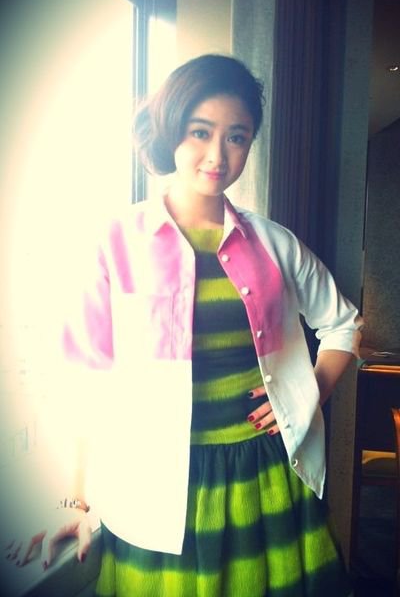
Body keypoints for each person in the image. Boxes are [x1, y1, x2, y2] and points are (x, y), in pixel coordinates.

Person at [6, 54, 362, 596]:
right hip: (153, 488)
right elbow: (84, 377)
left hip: (264, 477)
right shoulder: (117, 242)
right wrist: (74, 499)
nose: (218, 155)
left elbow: (343, 324)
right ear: (172, 130)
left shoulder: (274, 244)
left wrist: (309, 389)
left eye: (237, 137)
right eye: (201, 132)